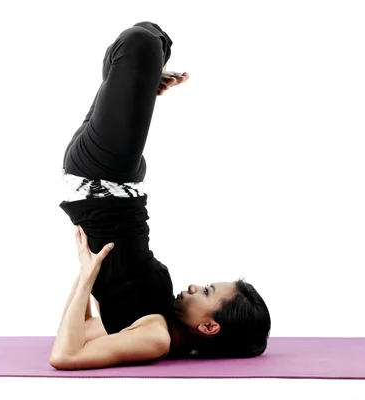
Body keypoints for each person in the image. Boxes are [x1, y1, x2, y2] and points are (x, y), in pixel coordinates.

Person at [51, 21, 271, 370]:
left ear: (210, 326)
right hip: (118, 183)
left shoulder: (156, 337)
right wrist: (88, 274)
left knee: (142, 42)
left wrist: (87, 275)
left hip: (101, 180)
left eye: (208, 293)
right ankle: (141, 86)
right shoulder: (161, 318)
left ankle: (140, 83)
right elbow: (84, 331)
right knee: (149, 37)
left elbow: (65, 353)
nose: (197, 286)